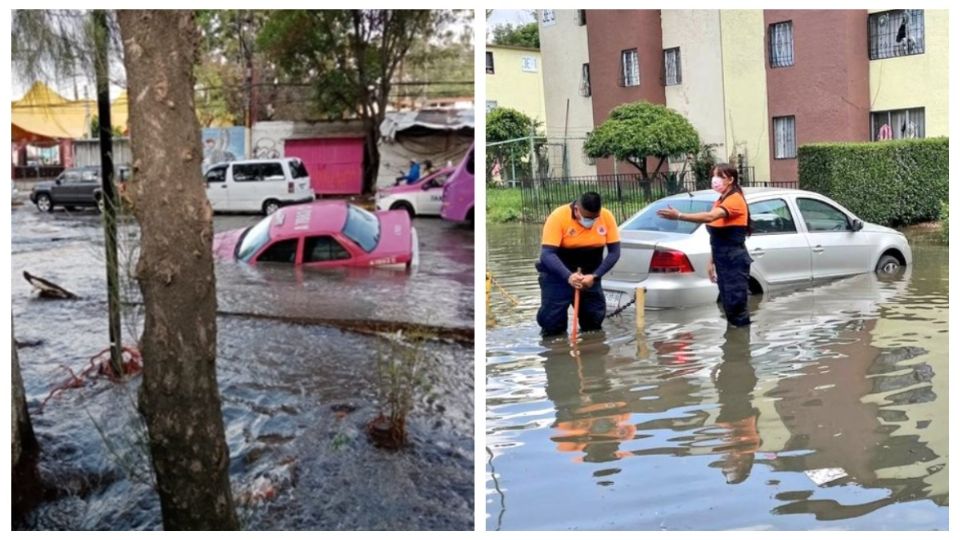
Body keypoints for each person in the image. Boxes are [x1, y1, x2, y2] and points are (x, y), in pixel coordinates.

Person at [657, 163, 752, 327]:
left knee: (736, 306)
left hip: (734, 260)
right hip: (723, 259)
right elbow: (717, 239)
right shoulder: (720, 199)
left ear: (730, 180)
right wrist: (711, 262)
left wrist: (679, 215)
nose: (715, 180)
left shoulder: (734, 200)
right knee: (728, 305)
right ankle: (734, 344)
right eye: (713, 175)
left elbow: (709, 217)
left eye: (719, 176)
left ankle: (741, 347)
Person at [536, 192, 621, 336]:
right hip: (558, 276)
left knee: (593, 322)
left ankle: (591, 353)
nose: (591, 222)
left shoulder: (606, 216)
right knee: (552, 324)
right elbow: (547, 254)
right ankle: (557, 353)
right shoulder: (558, 217)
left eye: (595, 218)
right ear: (576, 209)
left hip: (590, 276)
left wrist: (595, 276)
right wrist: (568, 276)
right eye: (588, 218)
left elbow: (614, 253)